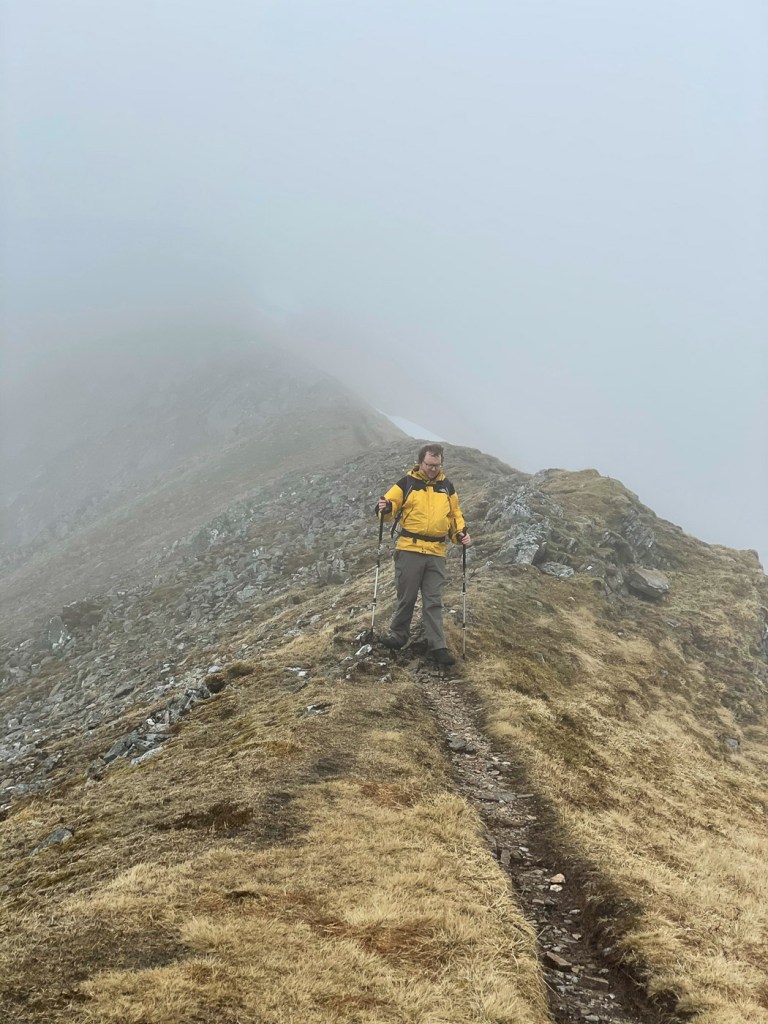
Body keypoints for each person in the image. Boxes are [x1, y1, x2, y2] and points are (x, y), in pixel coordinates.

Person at [376, 444, 471, 666]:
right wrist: (385, 507)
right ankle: (398, 636)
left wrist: (460, 534)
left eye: (437, 465)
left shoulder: (447, 487)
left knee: (433, 600)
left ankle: (437, 646)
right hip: (409, 548)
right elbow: (388, 506)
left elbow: (454, 515)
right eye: (429, 465)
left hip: (436, 552)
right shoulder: (407, 483)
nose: (432, 469)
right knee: (407, 597)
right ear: (420, 462)